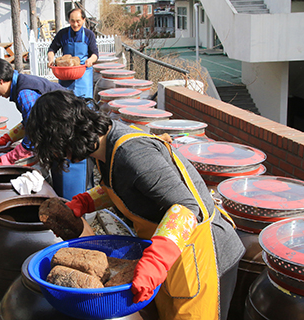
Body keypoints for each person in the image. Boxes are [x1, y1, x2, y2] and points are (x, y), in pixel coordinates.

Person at [26, 90, 245, 320]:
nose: (63, 156)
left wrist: (155, 262)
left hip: (202, 255)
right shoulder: (105, 147)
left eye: (56, 148)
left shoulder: (132, 153)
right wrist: (86, 202)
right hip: (171, 253)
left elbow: (188, 207)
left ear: (65, 136)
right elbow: (127, 187)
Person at [0, 57, 92, 199]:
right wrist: (7, 138)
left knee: (72, 197)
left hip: (74, 140)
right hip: (63, 139)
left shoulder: (25, 93)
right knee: (63, 192)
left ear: (0, 81)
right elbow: (31, 122)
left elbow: (34, 133)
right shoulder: (23, 83)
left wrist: (10, 158)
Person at [48, 8, 98, 99]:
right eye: (72, 21)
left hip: (84, 74)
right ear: (69, 20)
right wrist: (51, 59)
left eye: (78, 21)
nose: (75, 24)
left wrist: (90, 60)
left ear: (83, 20)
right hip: (66, 75)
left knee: (85, 105)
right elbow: (52, 49)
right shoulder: (63, 34)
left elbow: (95, 54)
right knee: (66, 104)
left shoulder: (89, 34)